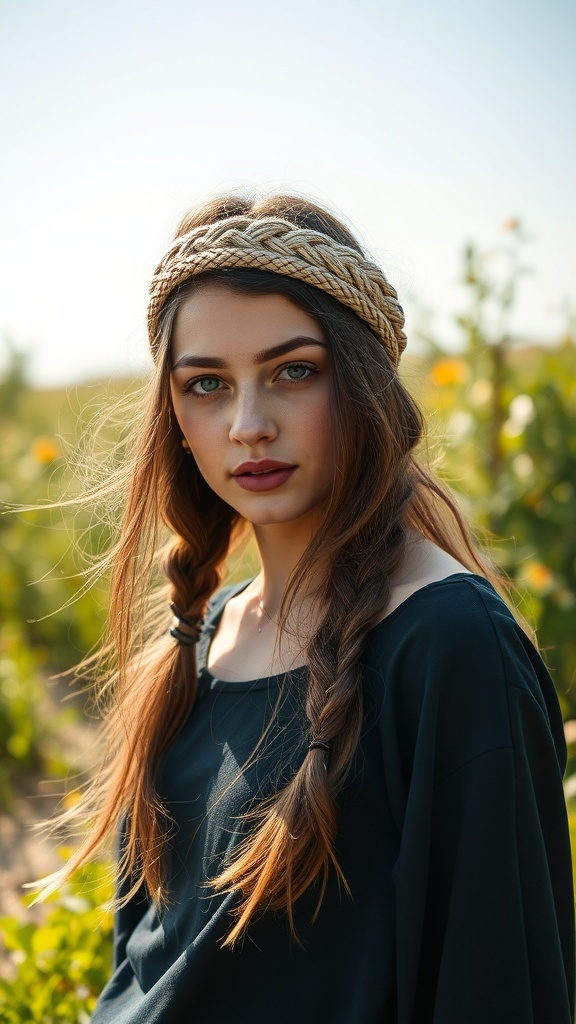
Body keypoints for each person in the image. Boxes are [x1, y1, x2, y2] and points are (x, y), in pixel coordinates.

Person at [46, 194, 574, 1022]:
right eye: (208, 385)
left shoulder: (450, 647)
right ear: (175, 417)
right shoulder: (198, 642)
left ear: (363, 382)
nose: (248, 425)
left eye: (294, 371)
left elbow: (500, 987)